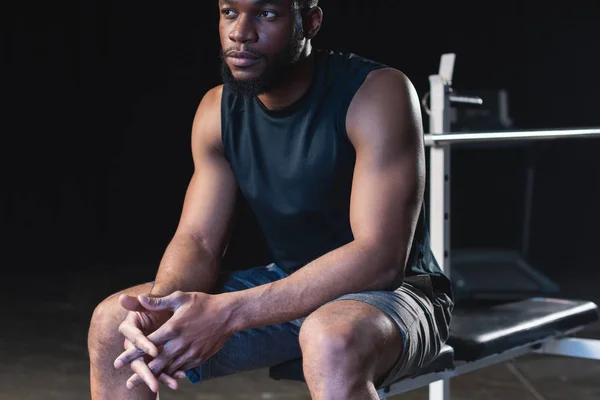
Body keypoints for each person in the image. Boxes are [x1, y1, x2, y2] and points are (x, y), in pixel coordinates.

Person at [87, 0, 454, 399]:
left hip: (399, 294)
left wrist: (230, 313)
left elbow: (380, 258)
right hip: (288, 284)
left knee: (330, 339)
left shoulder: (376, 92)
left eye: (266, 14)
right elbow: (199, 240)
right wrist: (160, 306)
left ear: (310, 22)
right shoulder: (217, 110)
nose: (241, 32)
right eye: (229, 12)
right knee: (117, 325)